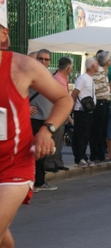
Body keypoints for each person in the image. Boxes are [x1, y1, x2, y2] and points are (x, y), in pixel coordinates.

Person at [0, 19, 73, 248]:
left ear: (3, 34)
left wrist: (46, 131)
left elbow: (64, 99)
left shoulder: (22, 66)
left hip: (13, 165)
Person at [29, 49, 60, 191]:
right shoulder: (28, 74)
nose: (43, 61)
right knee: (33, 151)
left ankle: (39, 181)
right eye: (40, 59)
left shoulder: (49, 76)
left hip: (46, 120)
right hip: (32, 118)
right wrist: (25, 107)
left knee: (42, 152)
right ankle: (34, 182)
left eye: (46, 59)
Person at [44, 56, 74, 172]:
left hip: (61, 112)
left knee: (59, 138)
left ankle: (57, 160)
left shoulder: (62, 78)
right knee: (55, 138)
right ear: (68, 68)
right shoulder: (58, 79)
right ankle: (50, 162)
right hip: (56, 112)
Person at [71, 58, 99, 167]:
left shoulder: (90, 78)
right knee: (80, 135)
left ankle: (83, 156)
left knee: (86, 134)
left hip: (88, 111)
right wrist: (71, 107)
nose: (98, 66)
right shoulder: (83, 79)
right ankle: (79, 158)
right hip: (81, 111)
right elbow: (75, 93)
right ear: (92, 66)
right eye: (96, 64)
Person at [89, 51, 111, 165]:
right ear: (108, 61)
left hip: (105, 102)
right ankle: (95, 155)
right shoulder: (99, 72)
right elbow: (97, 89)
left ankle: (101, 154)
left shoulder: (103, 72)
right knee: (97, 130)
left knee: (102, 130)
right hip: (100, 103)